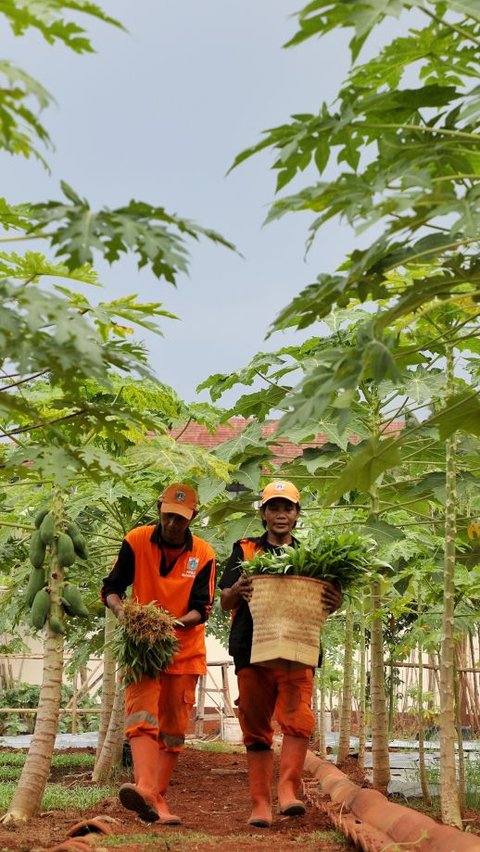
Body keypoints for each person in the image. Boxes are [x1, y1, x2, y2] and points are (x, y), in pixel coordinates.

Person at [219, 480, 342, 828]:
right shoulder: (244, 550)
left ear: (297, 514)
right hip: (252, 650)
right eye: (273, 507)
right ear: (263, 513)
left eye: (287, 507)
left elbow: (325, 600)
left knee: (298, 721)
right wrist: (238, 590)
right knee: (256, 728)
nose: (280, 514)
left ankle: (288, 791)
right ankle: (260, 804)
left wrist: (337, 601)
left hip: (296, 650)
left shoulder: (310, 557)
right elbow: (225, 600)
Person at [101, 482, 216, 825]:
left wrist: (170, 624)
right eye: (167, 516)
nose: (172, 524)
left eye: (180, 519)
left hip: (183, 650)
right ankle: (149, 793)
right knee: (141, 719)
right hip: (142, 648)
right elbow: (111, 588)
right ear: (159, 509)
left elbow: (202, 608)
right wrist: (125, 615)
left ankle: (153, 796)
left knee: (173, 729)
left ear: (192, 516)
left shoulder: (204, 554)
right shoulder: (136, 541)